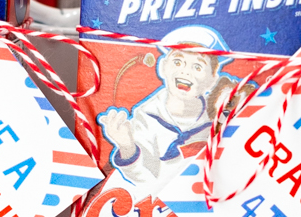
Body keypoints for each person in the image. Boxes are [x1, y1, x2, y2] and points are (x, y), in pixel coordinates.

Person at [99, 27, 233, 192]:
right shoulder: (146, 118)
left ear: (212, 79)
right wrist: (127, 147)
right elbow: (145, 179)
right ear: (163, 67)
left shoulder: (218, 117)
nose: (185, 71)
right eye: (177, 62)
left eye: (197, 67)